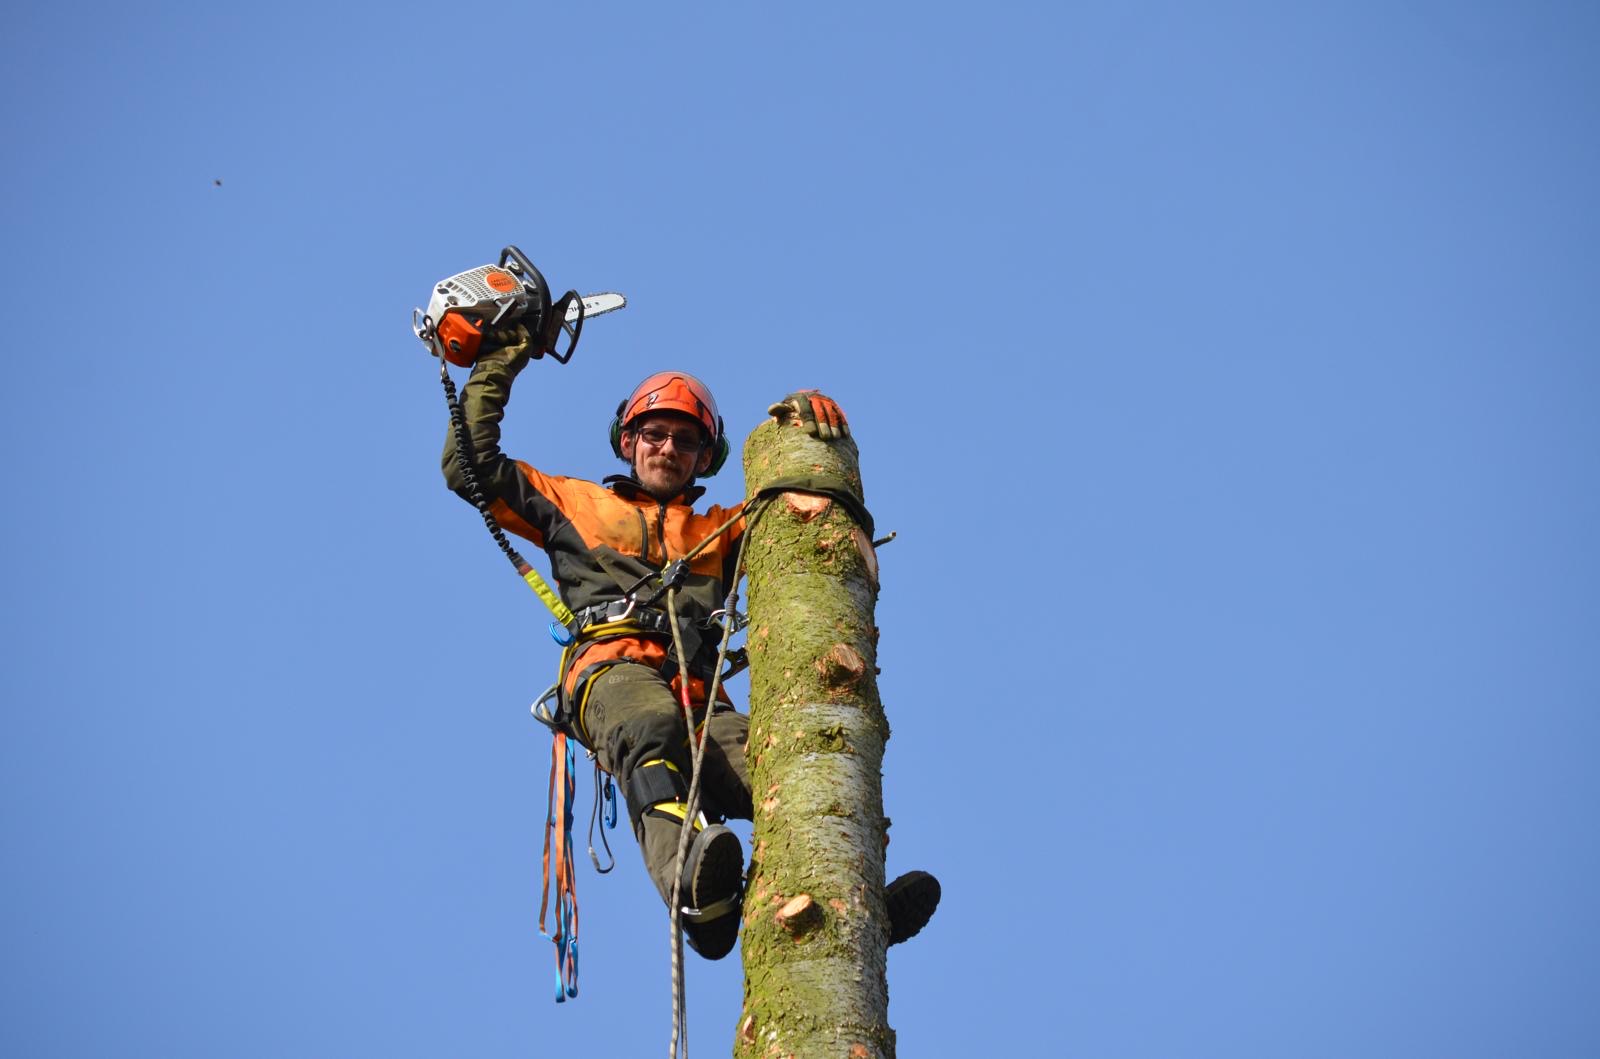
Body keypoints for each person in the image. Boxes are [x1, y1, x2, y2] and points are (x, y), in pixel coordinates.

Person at [442, 324, 939, 960]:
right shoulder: (574, 503)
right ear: (628, 441)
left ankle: (851, 894)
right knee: (650, 727)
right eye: (655, 433)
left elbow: (808, 504)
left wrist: (811, 430)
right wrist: (505, 354)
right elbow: (468, 465)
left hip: (701, 693)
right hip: (613, 670)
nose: (668, 448)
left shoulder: (723, 530)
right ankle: (694, 889)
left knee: (786, 762)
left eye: (686, 440)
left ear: (706, 457)